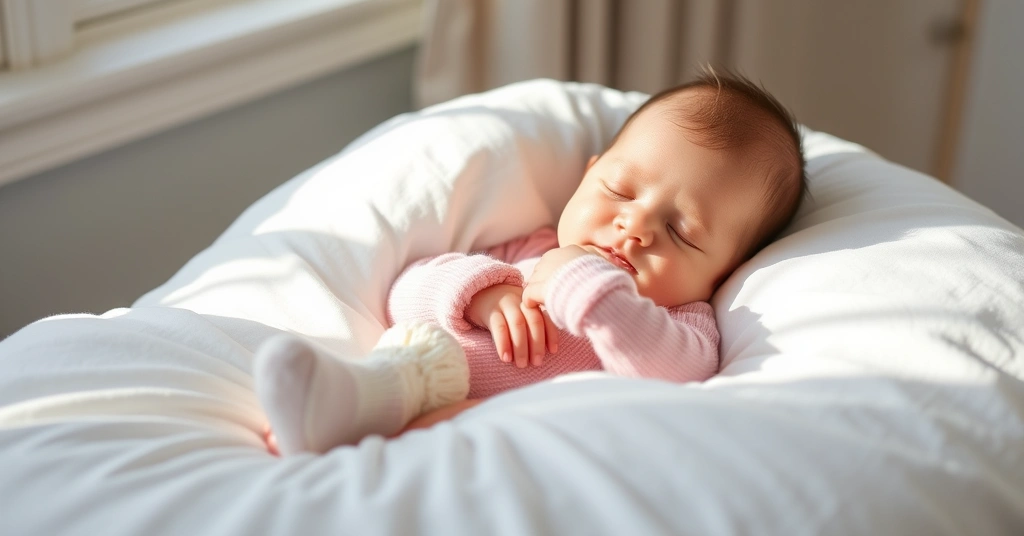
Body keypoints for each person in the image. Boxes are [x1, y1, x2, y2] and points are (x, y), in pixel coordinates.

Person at [253, 70, 807, 455]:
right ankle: (329, 406)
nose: (634, 228)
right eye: (619, 190)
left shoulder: (685, 323)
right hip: (420, 376)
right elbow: (404, 290)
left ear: (728, 269)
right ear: (588, 175)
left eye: (682, 233)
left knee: (453, 433)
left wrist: (583, 285)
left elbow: (672, 373)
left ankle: (343, 431)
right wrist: (481, 292)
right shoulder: (528, 250)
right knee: (396, 373)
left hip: (509, 431)